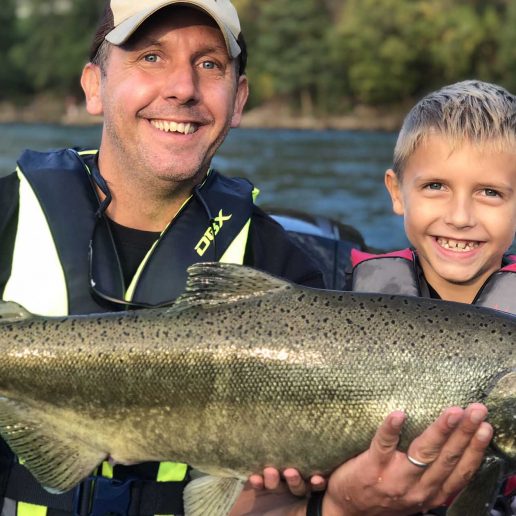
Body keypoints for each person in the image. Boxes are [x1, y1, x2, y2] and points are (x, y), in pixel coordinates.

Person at [0, 1, 492, 514]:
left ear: (239, 100)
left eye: (210, 64)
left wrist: (338, 506)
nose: (183, 88)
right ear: (94, 86)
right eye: (150, 57)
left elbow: (273, 505)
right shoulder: (6, 215)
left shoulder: (287, 268)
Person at [349, 80, 516, 514]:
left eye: (490, 193)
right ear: (395, 192)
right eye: (436, 186)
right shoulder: (347, 294)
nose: (460, 217)